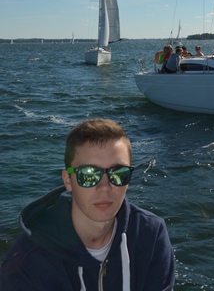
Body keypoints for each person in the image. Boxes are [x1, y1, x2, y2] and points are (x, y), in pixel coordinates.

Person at [0, 118, 175, 290]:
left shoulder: (150, 235)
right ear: (68, 180)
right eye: (89, 174)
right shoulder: (26, 264)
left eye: (118, 173)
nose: (105, 187)